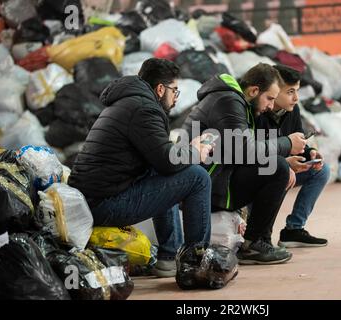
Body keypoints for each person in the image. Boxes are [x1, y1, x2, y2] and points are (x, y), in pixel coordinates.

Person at [68, 58, 213, 277]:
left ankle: (169, 257)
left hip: (92, 199)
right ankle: (197, 262)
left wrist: (187, 150)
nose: (176, 98)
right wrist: (195, 153)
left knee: (168, 171)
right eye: (175, 91)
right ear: (160, 88)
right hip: (103, 204)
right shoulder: (143, 109)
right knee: (198, 177)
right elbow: (167, 159)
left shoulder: (130, 102)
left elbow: (160, 156)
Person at [182, 63, 307, 265]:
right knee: (276, 167)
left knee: (277, 166)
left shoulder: (237, 102)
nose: (269, 106)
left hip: (217, 177)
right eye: (270, 98)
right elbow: (244, 150)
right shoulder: (228, 101)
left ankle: (259, 240)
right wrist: (287, 144)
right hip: (206, 185)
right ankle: (254, 243)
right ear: (254, 90)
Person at [256, 64, 330, 248]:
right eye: (290, 92)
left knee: (320, 170)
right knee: (280, 173)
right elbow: (252, 156)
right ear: (274, 90)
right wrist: (285, 164)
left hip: (280, 167)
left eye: (297, 91)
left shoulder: (292, 110)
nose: (296, 98)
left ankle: (293, 230)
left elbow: (298, 142)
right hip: (255, 176)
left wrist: (309, 152)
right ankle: (259, 239)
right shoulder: (258, 112)